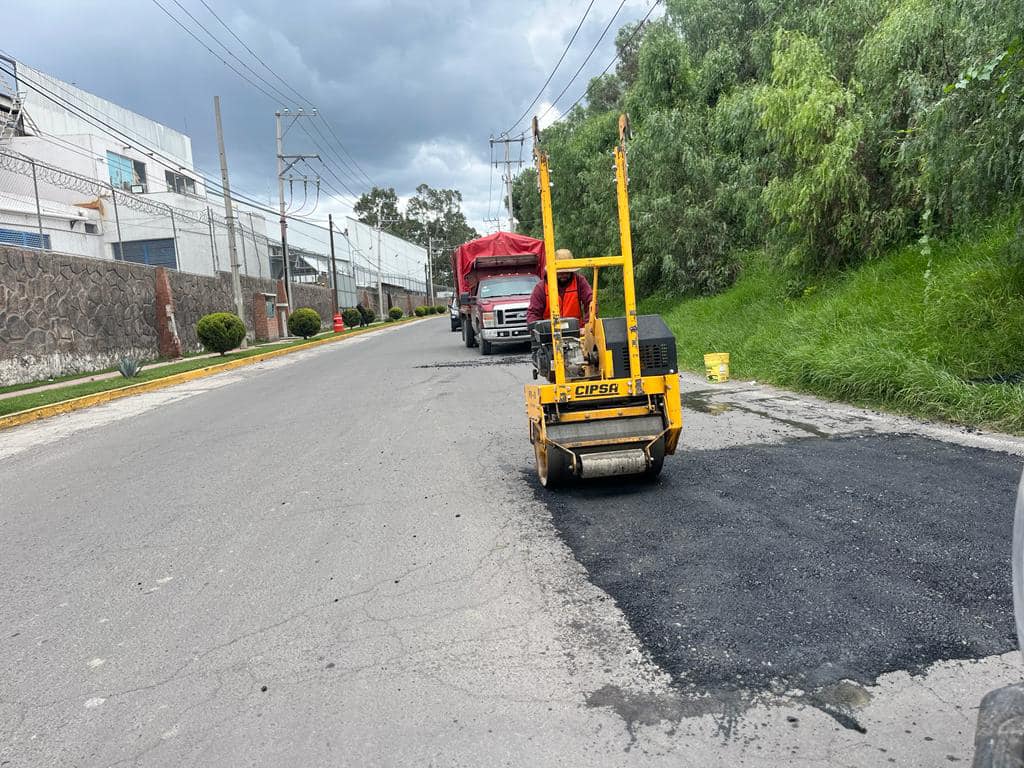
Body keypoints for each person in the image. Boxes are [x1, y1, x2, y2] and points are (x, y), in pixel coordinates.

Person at [526, 249, 594, 324]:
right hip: (550, 332)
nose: (564, 274)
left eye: (567, 272)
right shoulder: (541, 288)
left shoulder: (579, 281)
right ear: (553, 271)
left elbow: (591, 304)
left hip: (577, 332)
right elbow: (533, 314)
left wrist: (588, 326)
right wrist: (540, 330)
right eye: (560, 272)